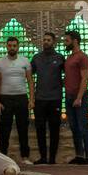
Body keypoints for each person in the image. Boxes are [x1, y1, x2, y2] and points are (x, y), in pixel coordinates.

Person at [0, 36, 32, 162]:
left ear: (18, 47)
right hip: (5, 98)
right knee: (5, 128)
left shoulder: (25, 61)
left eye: (14, 46)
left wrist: (32, 100)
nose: (12, 48)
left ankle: (25, 156)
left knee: (23, 127)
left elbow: (31, 82)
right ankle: (3, 155)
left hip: (21, 98)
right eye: (10, 45)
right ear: (6, 46)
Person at [29, 31, 65, 164]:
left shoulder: (60, 58)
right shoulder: (37, 58)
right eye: (44, 40)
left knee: (54, 128)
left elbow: (68, 74)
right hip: (40, 99)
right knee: (40, 128)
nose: (46, 42)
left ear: (53, 42)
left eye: (48, 40)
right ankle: (43, 157)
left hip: (55, 99)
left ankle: (52, 158)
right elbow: (29, 75)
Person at [63, 29, 88, 165]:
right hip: (69, 96)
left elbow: (85, 78)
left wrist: (79, 97)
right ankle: (79, 155)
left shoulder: (82, 57)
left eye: (67, 40)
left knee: (82, 126)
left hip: (79, 97)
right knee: (74, 127)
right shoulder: (69, 57)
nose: (65, 43)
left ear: (75, 41)